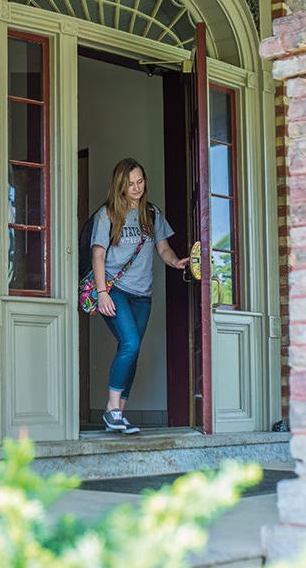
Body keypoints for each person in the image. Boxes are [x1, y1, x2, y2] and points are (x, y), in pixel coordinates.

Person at [91, 158, 189, 434]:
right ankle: (111, 409)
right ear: (120, 186)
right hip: (115, 290)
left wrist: (175, 262)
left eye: (140, 182)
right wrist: (102, 293)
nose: (136, 188)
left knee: (132, 352)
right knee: (130, 343)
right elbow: (98, 254)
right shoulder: (108, 214)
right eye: (130, 184)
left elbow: (163, 248)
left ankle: (119, 414)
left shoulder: (152, 213)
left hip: (142, 296)